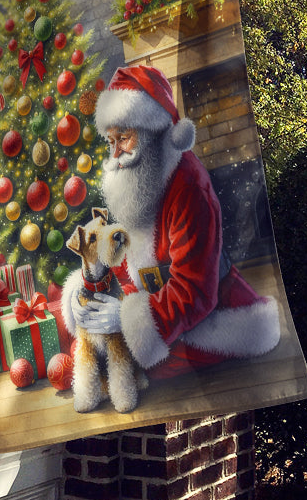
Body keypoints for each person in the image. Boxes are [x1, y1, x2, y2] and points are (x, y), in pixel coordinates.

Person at [61, 64, 280, 379]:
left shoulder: (190, 186)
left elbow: (194, 292)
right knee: (90, 343)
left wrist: (123, 319)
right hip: (157, 303)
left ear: (152, 131)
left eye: (123, 138)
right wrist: (90, 284)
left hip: (212, 318)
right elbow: (132, 258)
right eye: (111, 141)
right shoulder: (139, 177)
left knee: (121, 365)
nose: (115, 154)